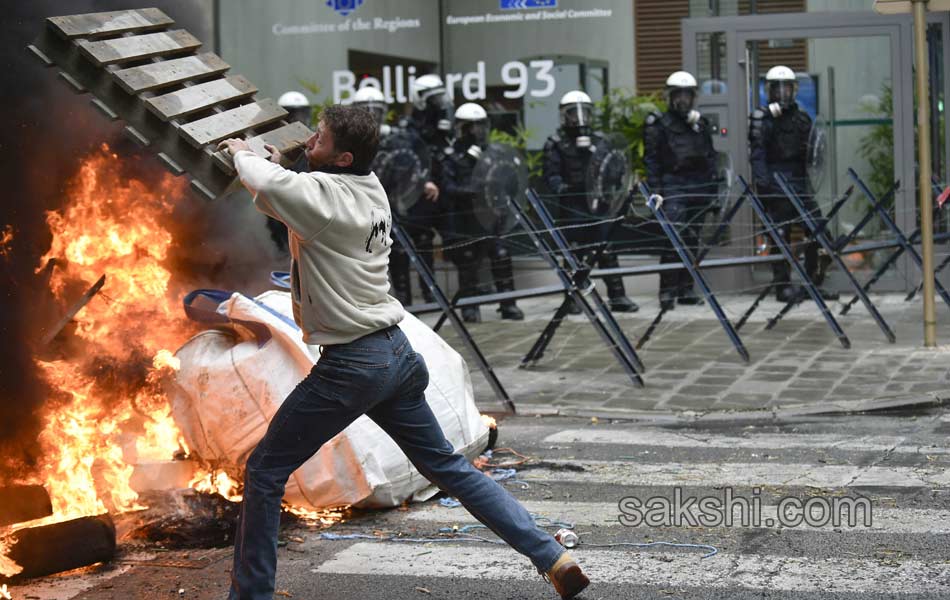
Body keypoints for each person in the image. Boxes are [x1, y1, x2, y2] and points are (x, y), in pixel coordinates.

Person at [217, 105, 588, 600]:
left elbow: (269, 185)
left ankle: (250, 596)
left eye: (320, 140)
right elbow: (303, 183)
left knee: (264, 470)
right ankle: (551, 555)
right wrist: (278, 162)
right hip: (396, 354)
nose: (310, 144)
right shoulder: (368, 188)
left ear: (344, 157)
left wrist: (245, 154)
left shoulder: (323, 198)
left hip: (353, 364)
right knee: (449, 467)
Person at [543, 90, 638, 314]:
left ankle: (618, 296)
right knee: (573, 252)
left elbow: (614, 169)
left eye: (584, 112)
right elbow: (551, 175)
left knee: (606, 249)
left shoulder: (599, 141)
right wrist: (563, 188)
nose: (578, 118)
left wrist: (598, 157)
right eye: (572, 114)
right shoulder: (556, 143)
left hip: (598, 204)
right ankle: (573, 298)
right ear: (563, 117)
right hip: (572, 205)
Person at [749, 65, 837, 302]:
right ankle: (782, 286)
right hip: (775, 185)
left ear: (794, 90)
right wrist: (764, 187)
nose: (783, 94)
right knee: (780, 237)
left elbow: (813, 153)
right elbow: (757, 156)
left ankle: (813, 283)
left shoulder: (801, 118)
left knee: (819, 233)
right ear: (769, 91)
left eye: (786, 88)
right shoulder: (761, 118)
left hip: (800, 183)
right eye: (777, 89)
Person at [440, 102, 524, 322]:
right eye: (472, 127)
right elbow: (447, 188)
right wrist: (471, 191)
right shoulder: (452, 156)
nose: (478, 132)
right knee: (468, 261)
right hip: (465, 218)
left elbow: (508, 178)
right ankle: (470, 307)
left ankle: (509, 304)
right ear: (461, 128)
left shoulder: (494, 152)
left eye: (481, 126)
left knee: (501, 255)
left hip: (491, 216)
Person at [644, 71, 718, 310]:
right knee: (673, 239)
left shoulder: (701, 124)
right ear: (670, 96)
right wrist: (655, 191)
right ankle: (666, 292)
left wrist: (713, 191)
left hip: (698, 185)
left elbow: (710, 158)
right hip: (673, 185)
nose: (683, 100)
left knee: (692, 239)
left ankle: (686, 288)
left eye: (688, 95)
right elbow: (652, 160)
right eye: (679, 95)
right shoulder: (658, 124)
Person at [353, 86, 431, 306]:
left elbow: (407, 164)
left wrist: (421, 181)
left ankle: (404, 302)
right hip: (361, 205)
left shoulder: (395, 137)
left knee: (398, 251)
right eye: (366, 109)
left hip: (392, 204)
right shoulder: (349, 138)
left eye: (376, 110)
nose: (372, 114)